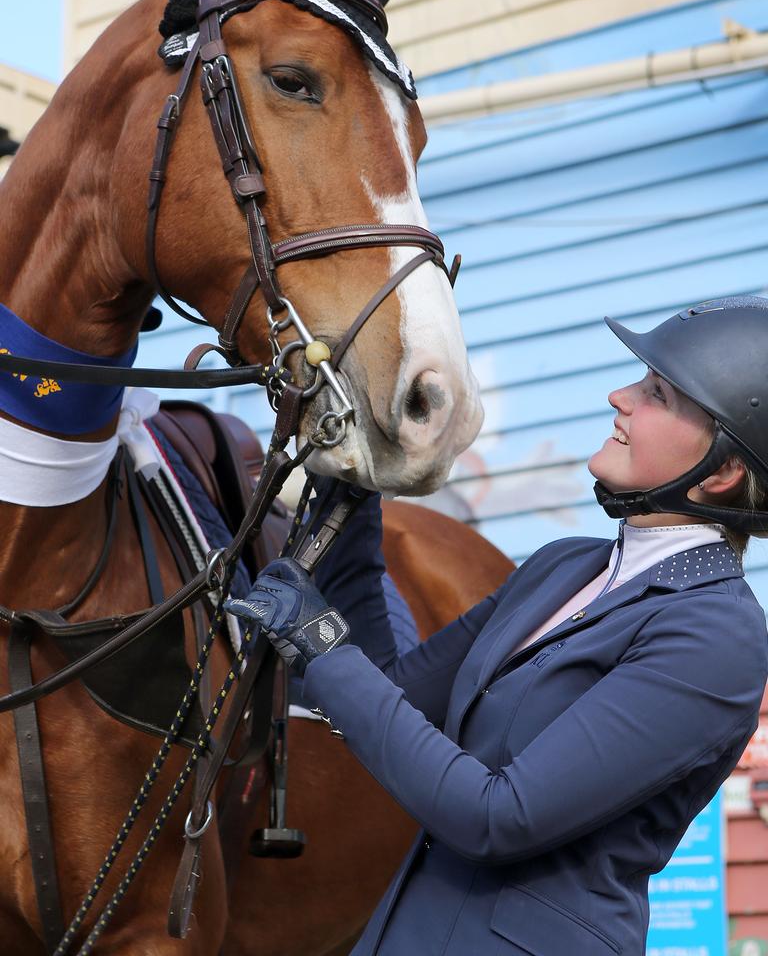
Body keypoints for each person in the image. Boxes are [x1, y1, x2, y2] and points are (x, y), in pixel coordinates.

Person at [228, 295, 768, 956]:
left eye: (656, 392)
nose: (618, 397)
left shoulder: (716, 637)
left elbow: (497, 818)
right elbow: (395, 693)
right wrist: (359, 507)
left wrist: (320, 644)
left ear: (724, 471)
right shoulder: (563, 568)